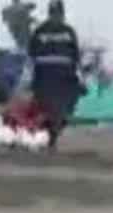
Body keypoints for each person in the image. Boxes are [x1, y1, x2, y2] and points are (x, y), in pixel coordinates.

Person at [27, 0, 81, 149]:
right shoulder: (68, 31)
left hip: (46, 77)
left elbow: (31, 55)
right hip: (62, 77)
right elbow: (76, 56)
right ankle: (52, 135)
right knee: (62, 108)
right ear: (62, 13)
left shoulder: (40, 30)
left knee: (48, 109)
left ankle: (51, 135)